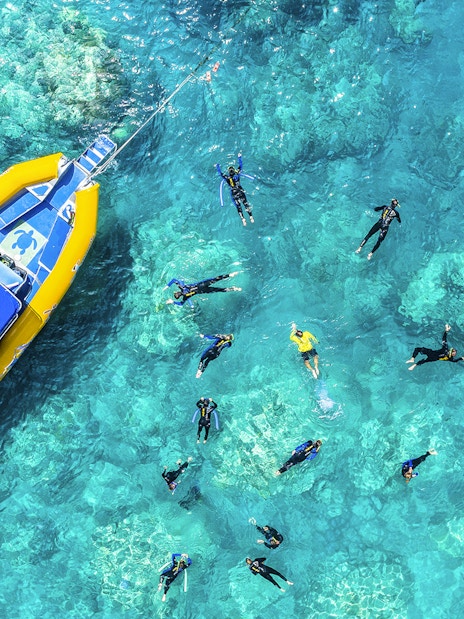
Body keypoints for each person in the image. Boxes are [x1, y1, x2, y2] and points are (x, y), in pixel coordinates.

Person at [216, 153, 254, 226]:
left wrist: (217, 166)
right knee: (246, 204)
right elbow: (241, 166)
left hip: (234, 193)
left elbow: (220, 173)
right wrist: (239, 157)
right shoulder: (237, 174)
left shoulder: (227, 178)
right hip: (240, 191)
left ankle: (243, 219)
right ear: (234, 170)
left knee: (238, 206)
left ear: (228, 172)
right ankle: (251, 217)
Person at [165, 273, 241, 307]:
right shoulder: (182, 287)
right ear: (177, 291)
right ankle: (229, 275)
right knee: (215, 279)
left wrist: (172, 302)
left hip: (203, 291)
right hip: (202, 285)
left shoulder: (185, 297)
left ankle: (234, 288)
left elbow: (181, 304)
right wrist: (167, 286)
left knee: (219, 290)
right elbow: (174, 280)